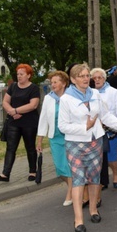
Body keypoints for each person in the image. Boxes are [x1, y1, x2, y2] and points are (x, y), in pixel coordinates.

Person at [59, 63, 117, 232]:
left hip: (95, 141)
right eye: (81, 76)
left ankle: (93, 210)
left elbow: (105, 116)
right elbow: (62, 126)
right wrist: (85, 127)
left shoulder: (95, 94)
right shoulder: (66, 99)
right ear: (73, 80)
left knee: (94, 177)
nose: (85, 79)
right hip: (75, 144)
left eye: (86, 75)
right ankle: (78, 220)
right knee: (78, 180)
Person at [0, 64, 40, 183]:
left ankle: (33, 171)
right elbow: (5, 101)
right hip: (14, 122)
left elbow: (33, 105)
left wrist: (16, 110)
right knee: (10, 148)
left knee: (30, 147)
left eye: (22, 74)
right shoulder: (13, 86)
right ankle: (5, 173)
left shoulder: (33, 88)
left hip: (29, 123)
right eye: (18, 74)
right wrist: (11, 112)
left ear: (28, 75)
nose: (19, 76)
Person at [35, 71, 72, 205]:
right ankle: (74, 186)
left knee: (69, 166)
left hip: (69, 136)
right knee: (60, 167)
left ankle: (71, 193)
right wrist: (39, 140)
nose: (53, 85)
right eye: (51, 82)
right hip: (55, 137)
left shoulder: (71, 96)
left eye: (55, 82)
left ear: (63, 83)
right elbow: (43, 119)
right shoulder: (48, 98)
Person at [91, 67, 117, 189]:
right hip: (95, 129)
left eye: (99, 77)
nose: (97, 80)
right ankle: (102, 180)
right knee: (99, 157)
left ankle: (115, 173)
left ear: (104, 78)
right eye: (94, 78)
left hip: (110, 128)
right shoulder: (89, 93)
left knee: (111, 155)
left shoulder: (112, 91)